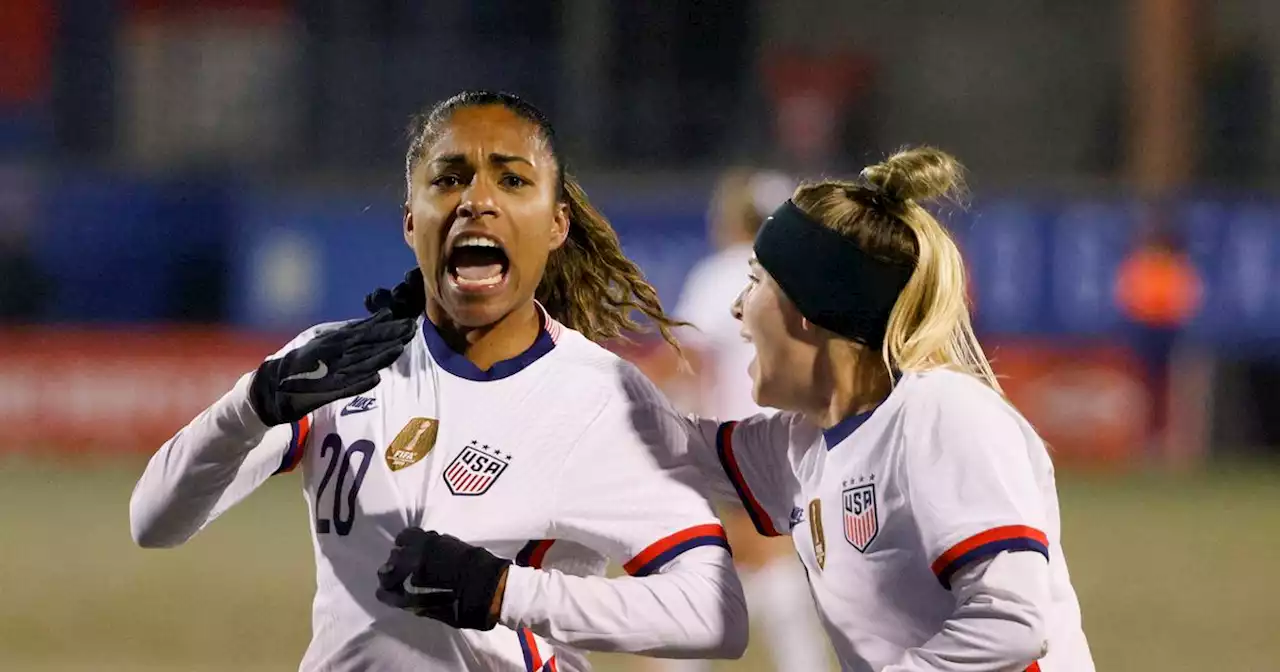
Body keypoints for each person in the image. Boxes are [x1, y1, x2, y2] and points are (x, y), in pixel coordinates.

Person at [130, 90, 748, 672]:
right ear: (410, 220)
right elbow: (154, 522)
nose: (476, 200)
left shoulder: (600, 398)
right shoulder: (335, 364)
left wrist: (504, 590)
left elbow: (714, 613)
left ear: (556, 225)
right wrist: (251, 406)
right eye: (449, 178)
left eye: (511, 179)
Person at [653, 168, 831, 672]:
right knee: (756, 564)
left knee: (728, 564)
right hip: (800, 443)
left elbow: (684, 358)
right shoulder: (803, 279)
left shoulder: (728, 271)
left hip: (738, 444)